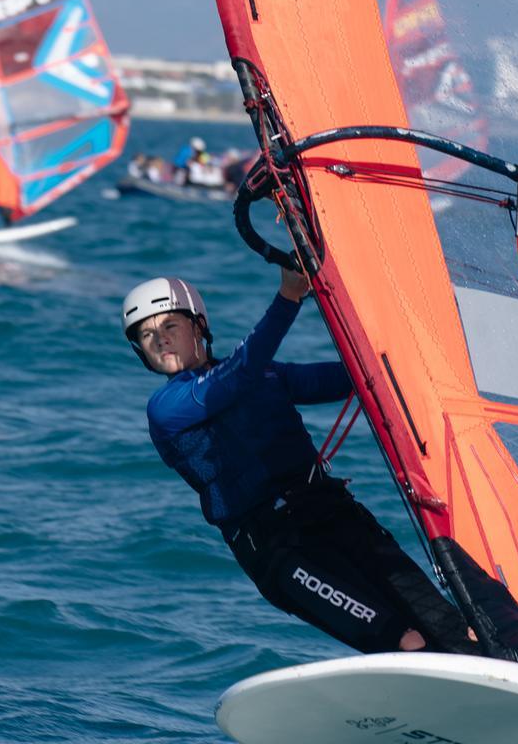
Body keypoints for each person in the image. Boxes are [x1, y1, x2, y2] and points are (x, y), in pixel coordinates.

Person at [121, 270, 488, 657]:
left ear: (199, 326)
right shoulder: (167, 409)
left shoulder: (265, 373)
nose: (160, 338)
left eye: (169, 325)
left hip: (332, 513)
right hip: (279, 550)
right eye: (146, 334)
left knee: (445, 622)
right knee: (401, 636)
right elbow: (234, 379)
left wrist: (412, 352)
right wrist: (289, 295)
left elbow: (352, 378)